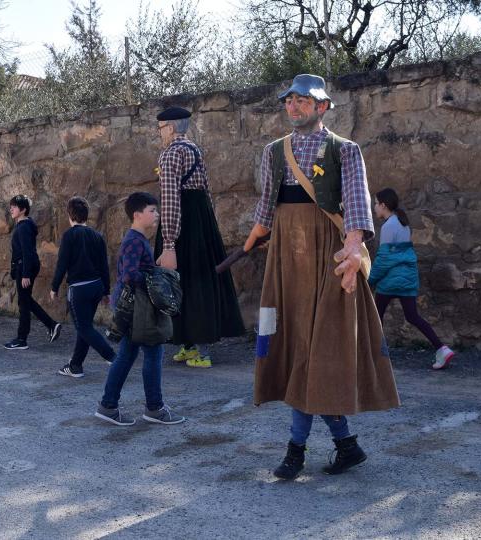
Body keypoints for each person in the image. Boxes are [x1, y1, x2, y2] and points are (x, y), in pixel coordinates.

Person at [244, 74, 400, 480]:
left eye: (302, 101)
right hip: (286, 262)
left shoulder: (345, 150)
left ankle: (296, 452)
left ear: (322, 106)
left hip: (330, 259)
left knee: (319, 352)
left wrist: (352, 249)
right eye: (289, 101)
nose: (293, 107)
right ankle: (346, 446)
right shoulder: (273, 151)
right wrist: (253, 240)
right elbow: (266, 207)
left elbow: (356, 204)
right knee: (297, 348)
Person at [154, 107, 245, 368]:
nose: (160, 134)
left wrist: (169, 242)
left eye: (160, 128)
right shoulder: (195, 149)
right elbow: (206, 189)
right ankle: (191, 345)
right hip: (201, 220)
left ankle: (198, 350)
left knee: (183, 282)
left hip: (182, 222)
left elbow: (171, 200)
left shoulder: (170, 153)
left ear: (171, 127)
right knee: (201, 281)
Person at [95, 192, 185, 427]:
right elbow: (129, 275)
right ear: (137, 215)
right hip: (138, 309)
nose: (156, 214)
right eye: (152, 210)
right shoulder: (135, 240)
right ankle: (153, 409)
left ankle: (109, 406)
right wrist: (155, 275)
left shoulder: (137, 239)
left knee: (127, 355)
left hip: (136, 308)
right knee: (153, 354)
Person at [370, 188, 455, 370]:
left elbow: (384, 260)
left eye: (376, 204)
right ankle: (442, 349)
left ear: (383, 205)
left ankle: (375, 357)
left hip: (390, 281)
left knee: (375, 317)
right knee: (413, 316)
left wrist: (370, 280)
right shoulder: (403, 223)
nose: (374, 207)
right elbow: (402, 254)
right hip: (408, 278)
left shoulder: (387, 227)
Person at [49, 196, 115, 378]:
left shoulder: (69, 236)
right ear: (87, 215)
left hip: (78, 289)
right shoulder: (97, 236)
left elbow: (62, 264)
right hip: (96, 287)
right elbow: (104, 265)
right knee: (84, 326)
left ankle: (113, 358)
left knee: (84, 328)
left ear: (69, 216)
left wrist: (54, 287)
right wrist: (106, 291)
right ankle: (75, 366)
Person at [3, 194, 62, 351]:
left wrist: (26, 274)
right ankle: (50, 326)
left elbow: (27, 252)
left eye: (14, 207)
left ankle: (23, 338)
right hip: (24, 266)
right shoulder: (23, 226)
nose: (11, 209)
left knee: (24, 302)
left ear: (23, 209)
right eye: (11, 207)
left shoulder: (24, 227)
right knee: (25, 301)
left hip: (25, 267)